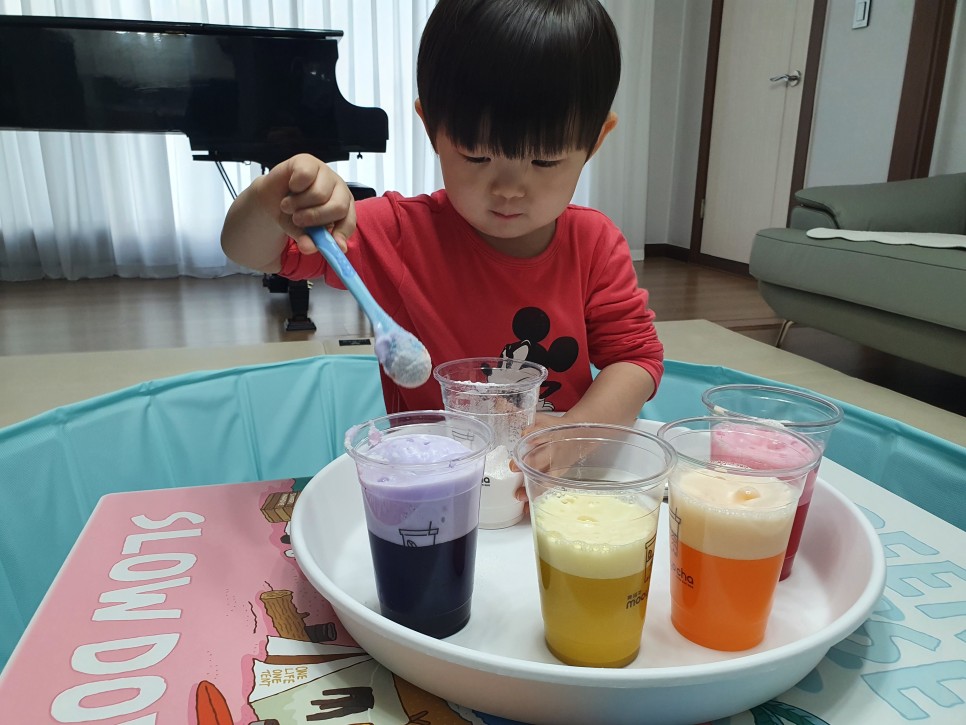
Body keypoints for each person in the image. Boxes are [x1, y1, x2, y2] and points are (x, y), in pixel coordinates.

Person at [221, 0, 664, 429]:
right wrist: (268, 197)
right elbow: (254, 252)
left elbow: (635, 359)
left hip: (558, 471)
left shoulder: (594, 244)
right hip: (434, 467)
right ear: (432, 127)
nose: (509, 190)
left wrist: (574, 434)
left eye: (544, 161)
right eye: (476, 156)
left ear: (595, 141)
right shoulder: (396, 233)